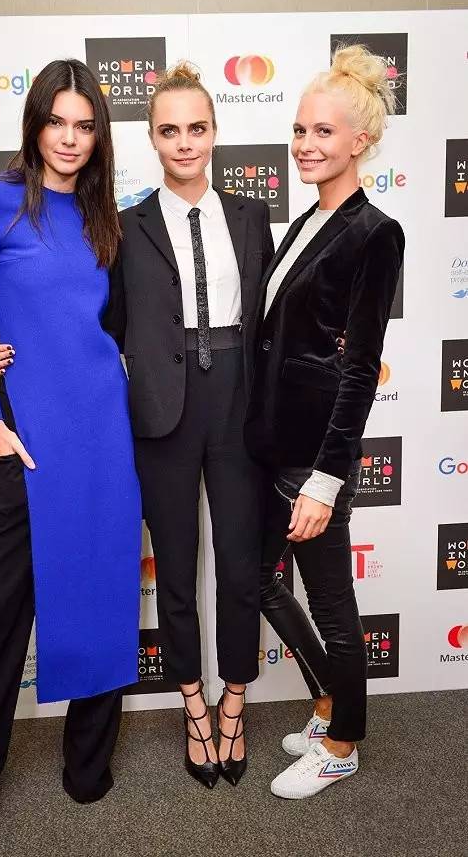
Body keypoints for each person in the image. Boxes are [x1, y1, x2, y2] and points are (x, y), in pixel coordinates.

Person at [0, 62, 275, 789]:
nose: (185, 142)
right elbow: (96, 323)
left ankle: (234, 702)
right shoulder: (122, 225)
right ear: (151, 138)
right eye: (170, 130)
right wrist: (7, 347)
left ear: (215, 132)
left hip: (239, 408)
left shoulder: (251, 218)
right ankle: (192, 705)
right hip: (159, 412)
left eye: (197, 128)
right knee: (175, 570)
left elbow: (273, 324)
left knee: (240, 568)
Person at [0, 59, 141, 846]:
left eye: (85, 126)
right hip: (29, 437)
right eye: (58, 121)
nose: (71, 138)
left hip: (105, 432)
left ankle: (88, 769)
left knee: (105, 590)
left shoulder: (102, 214)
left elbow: (110, 327)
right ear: (35, 122)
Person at [245, 44, 405, 799]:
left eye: (323, 132)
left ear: (360, 141)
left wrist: (325, 480)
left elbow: (358, 367)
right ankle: (327, 705)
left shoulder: (376, 232)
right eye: (300, 130)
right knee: (259, 583)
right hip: (271, 443)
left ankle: (342, 745)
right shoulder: (308, 218)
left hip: (314, 458)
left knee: (334, 608)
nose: (306, 145)